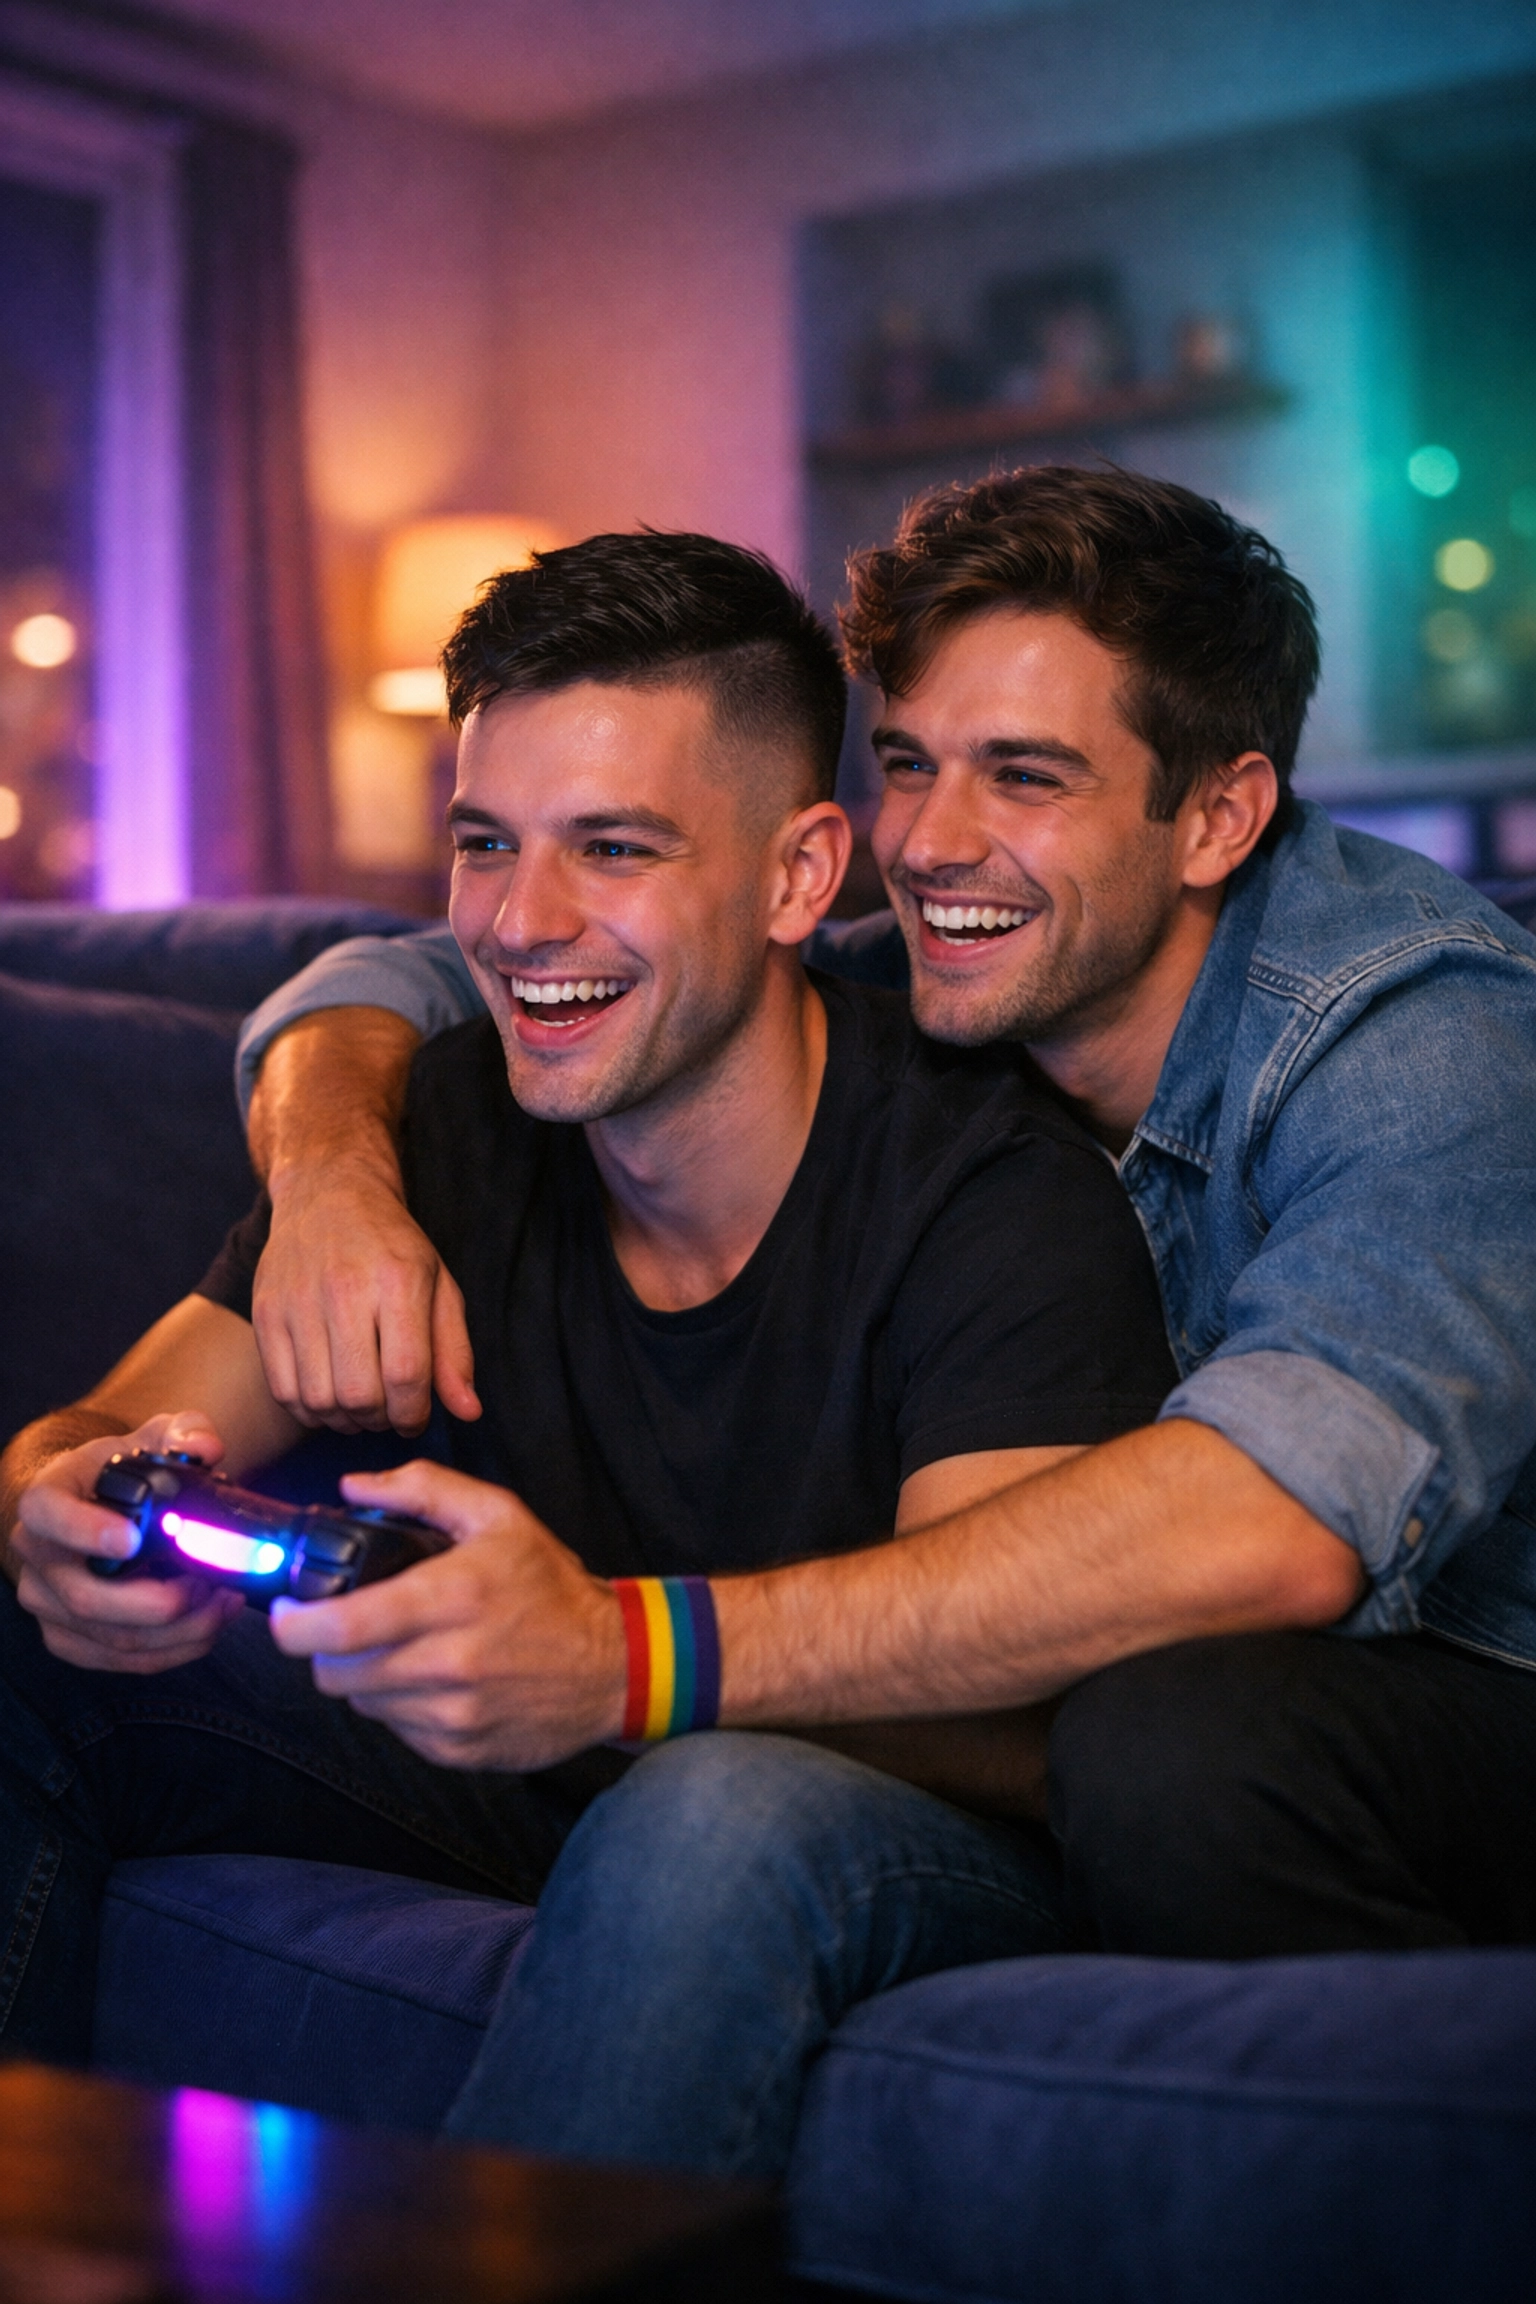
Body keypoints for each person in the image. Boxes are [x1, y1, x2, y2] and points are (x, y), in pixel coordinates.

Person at [234, 467, 1536, 2002]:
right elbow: (428, 977)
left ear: (1221, 816)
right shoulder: (958, 954)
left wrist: (626, 1655)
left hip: (1476, 1672)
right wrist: (329, 1182)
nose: (929, 842)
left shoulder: (1426, 1046)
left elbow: (1273, 1525)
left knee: (1172, 1744)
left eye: (1028, 777)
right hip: (1199, 1697)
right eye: (908, 764)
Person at [0, 529, 1176, 2174]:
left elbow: (1029, 1719)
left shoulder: (988, 1194)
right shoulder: (453, 1120)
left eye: (613, 848)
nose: (522, 922)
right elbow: (99, 1427)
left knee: (710, 1812)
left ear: (795, 875)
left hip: (888, 1831)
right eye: (487, 844)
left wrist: (607, 1666)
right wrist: (58, 1506)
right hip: (525, 1781)